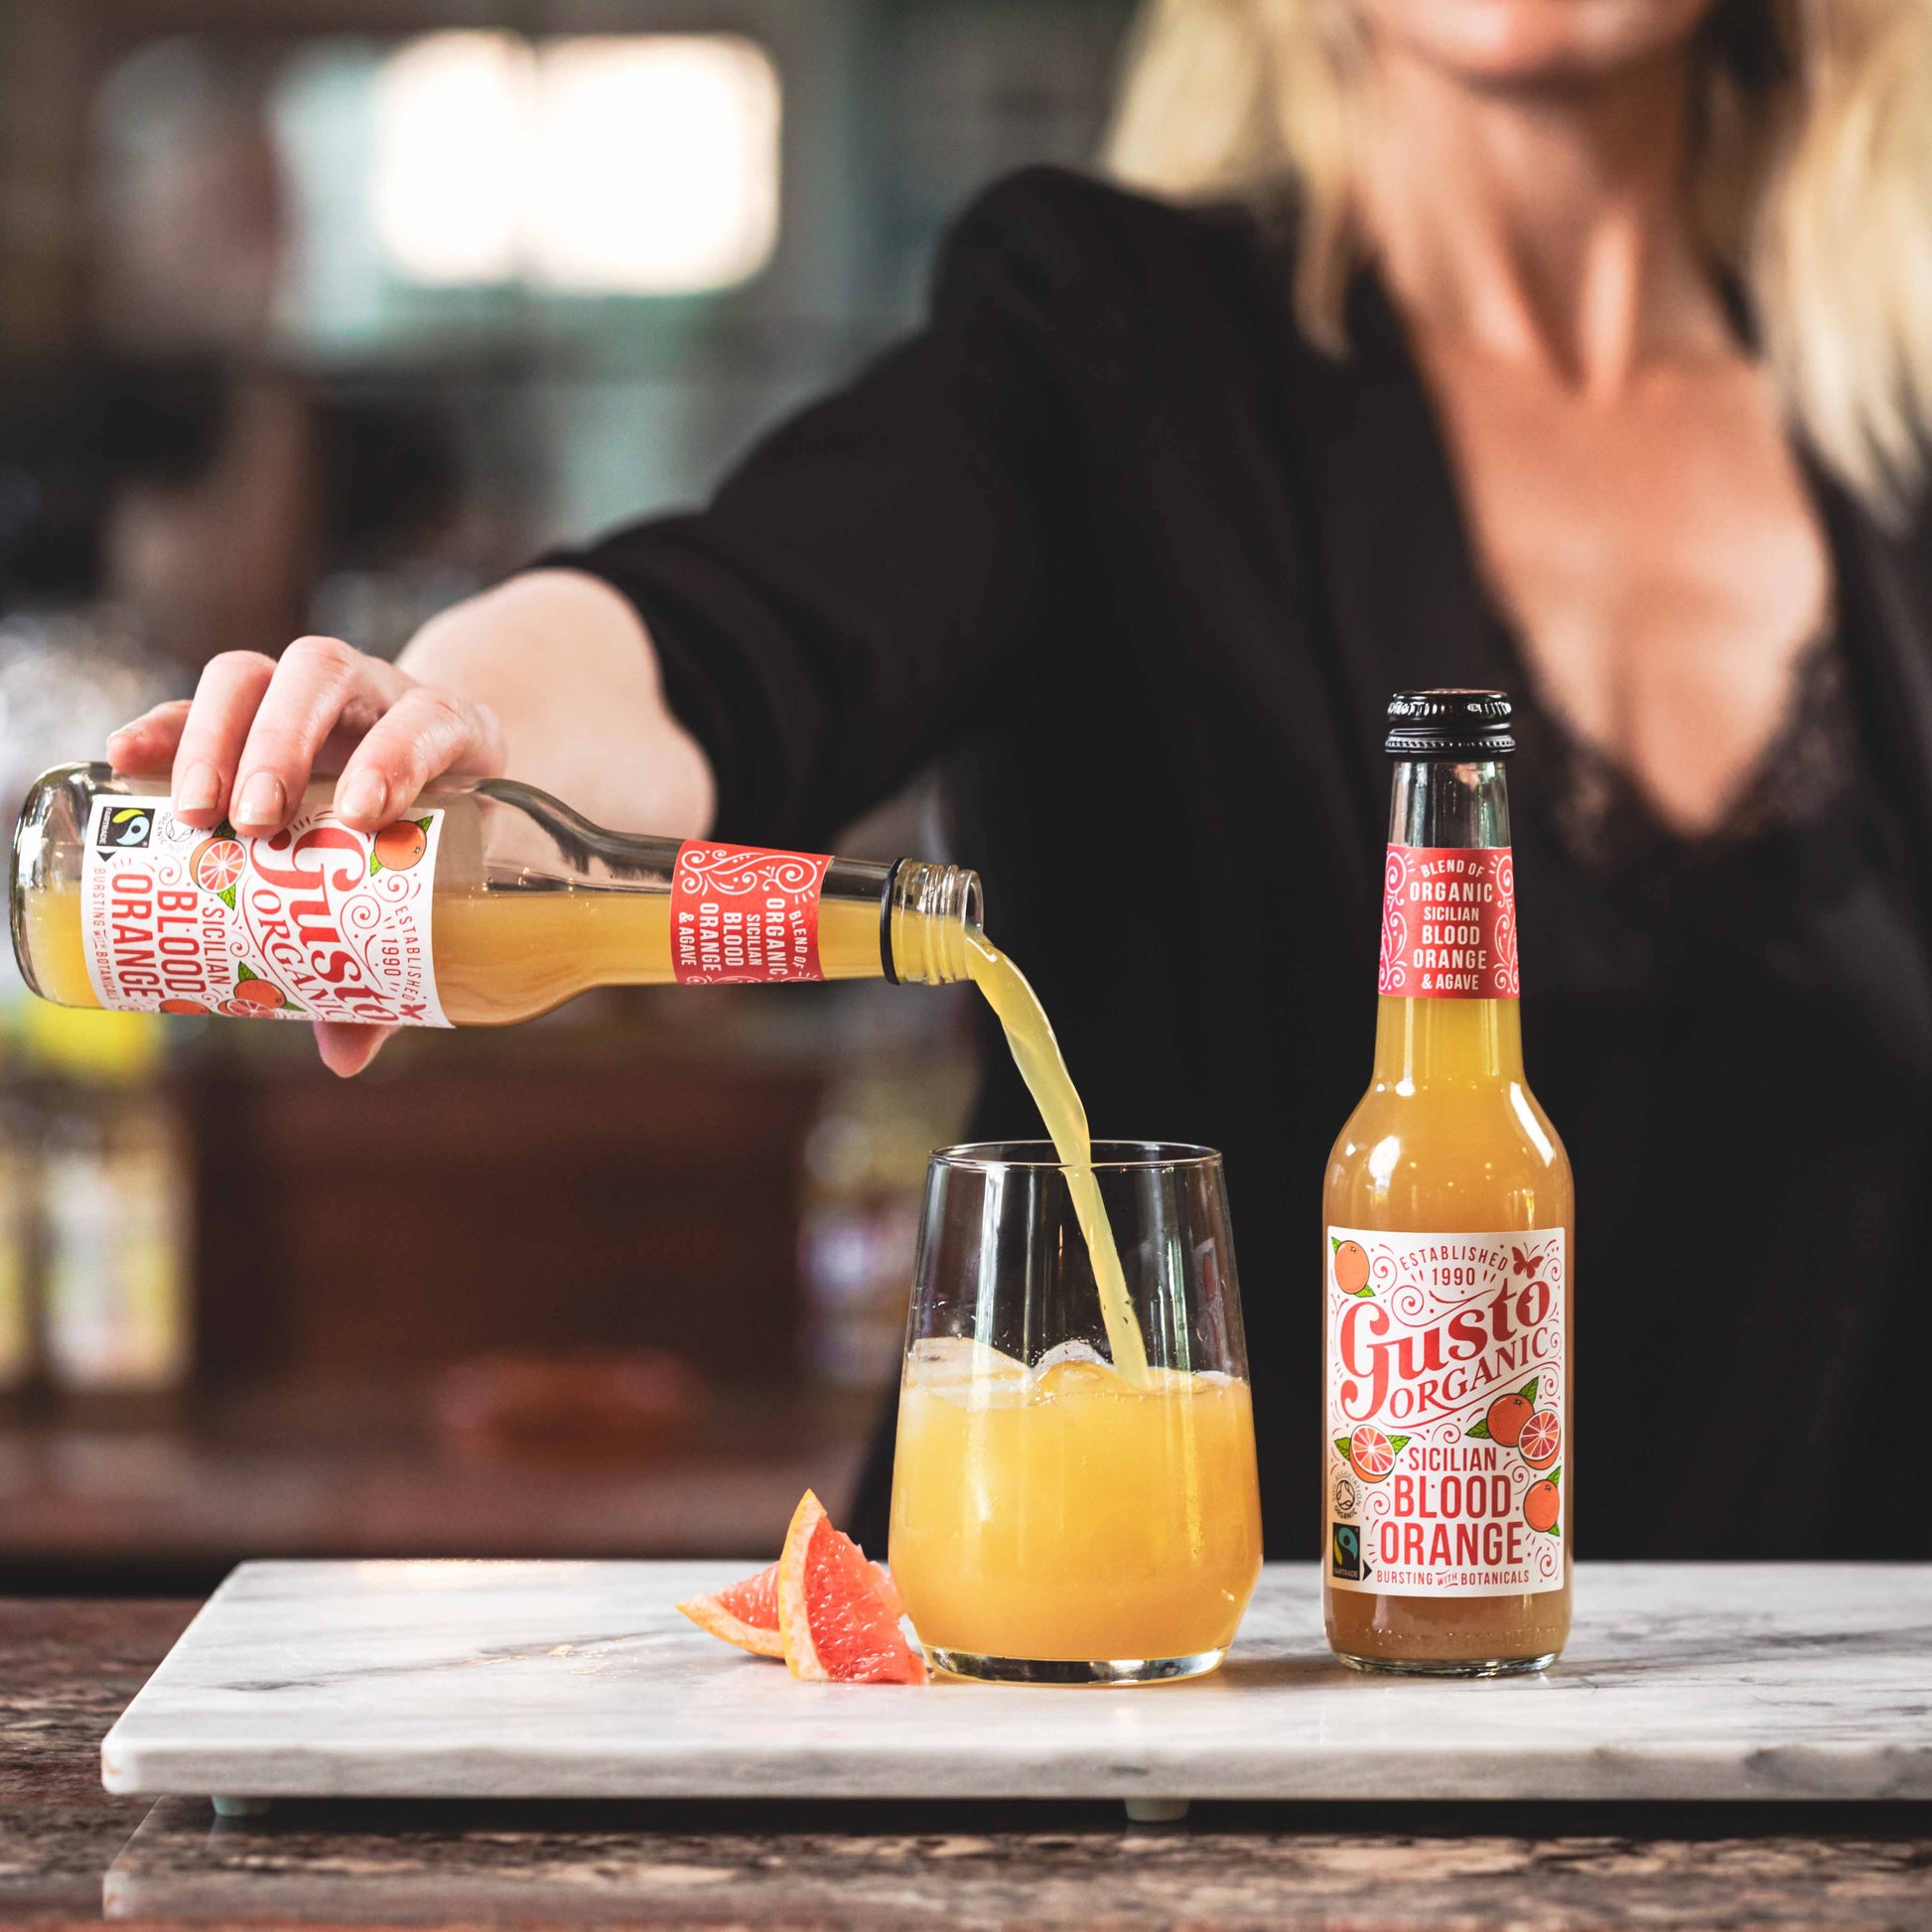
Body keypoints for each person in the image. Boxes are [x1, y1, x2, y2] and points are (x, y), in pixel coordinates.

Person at [107, 0, 1932, 1562]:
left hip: (1825, 1797)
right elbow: (729, 629)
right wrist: (442, 722)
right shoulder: (1099, 333)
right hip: (1150, 1757)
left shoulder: (1903, 433)